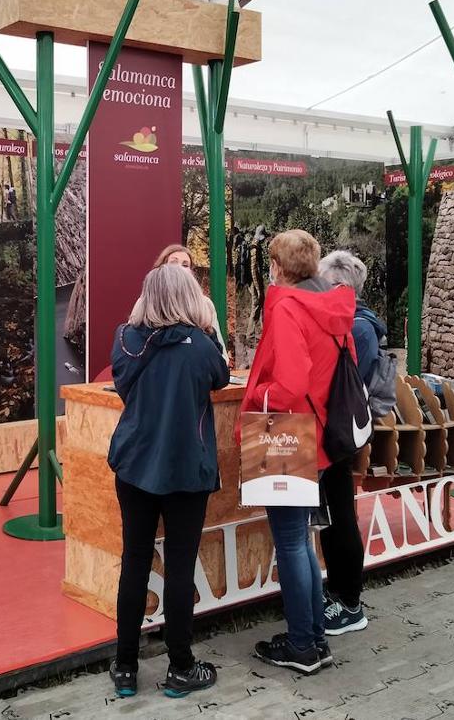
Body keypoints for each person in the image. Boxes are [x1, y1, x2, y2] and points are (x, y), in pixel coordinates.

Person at [237, 229, 357, 674]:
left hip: (287, 433)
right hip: (321, 435)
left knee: (290, 542)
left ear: (278, 267)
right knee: (301, 540)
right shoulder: (332, 306)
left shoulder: (287, 307)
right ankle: (315, 639)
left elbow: (290, 384)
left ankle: (303, 645)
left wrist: (257, 397)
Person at [108, 264, 230, 699]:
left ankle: (125, 667)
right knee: (180, 567)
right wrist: (208, 326)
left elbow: (124, 382)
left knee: (134, 562)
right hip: (185, 470)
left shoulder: (125, 339)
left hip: (134, 466)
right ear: (190, 296)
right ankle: (181, 667)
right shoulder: (199, 346)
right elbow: (221, 375)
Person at [314, 250, 379, 635]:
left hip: (338, 431)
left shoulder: (356, 329)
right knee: (334, 515)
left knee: (340, 516)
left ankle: (350, 601)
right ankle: (338, 591)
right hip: (334, 430)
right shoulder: (355, 325)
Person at [153, 243, 228, 362]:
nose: (179, 268)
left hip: (195, 373)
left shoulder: (204, 304)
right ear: (162, 267)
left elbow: (221, 356)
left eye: (185, 265)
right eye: (173, 262)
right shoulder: (147, 302)